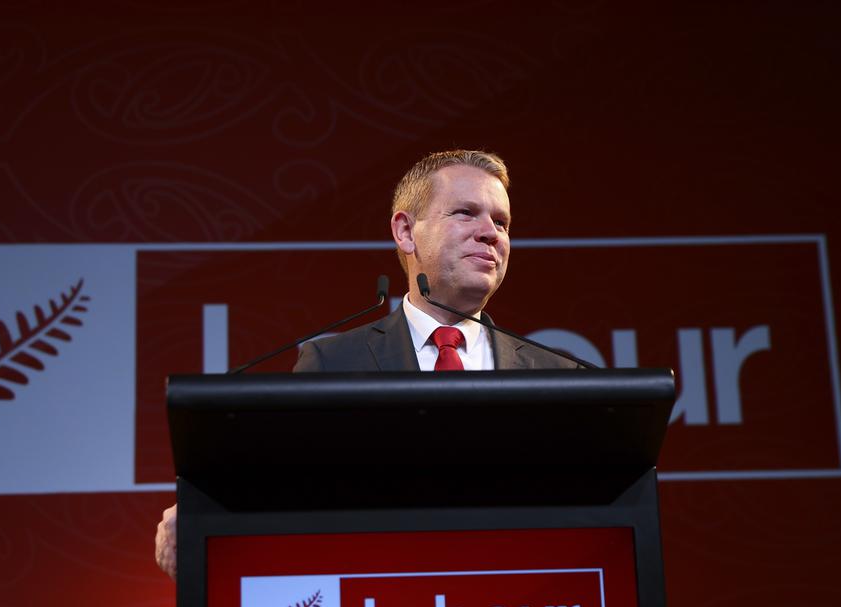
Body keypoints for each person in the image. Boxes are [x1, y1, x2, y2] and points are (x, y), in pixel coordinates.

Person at [154, 149, 572, 578]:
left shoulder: (559, 375)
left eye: (501, 222)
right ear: (406, 231)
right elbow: (289, 494)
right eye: (466, 213)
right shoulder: (334, 362)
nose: (490, 233)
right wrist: (208, 517)